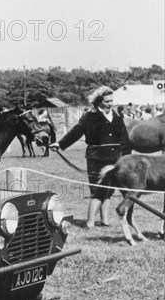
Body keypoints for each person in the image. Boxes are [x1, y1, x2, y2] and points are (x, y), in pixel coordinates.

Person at [50, 86, 131, 228]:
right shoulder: (90, 116)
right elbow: (76, 132)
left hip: (114, 157)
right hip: (96, 158)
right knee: (97, 190)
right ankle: (90, 223)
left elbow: (124, 139)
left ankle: (105, 221)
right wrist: (60, 144)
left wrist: (127, 158)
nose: (110, 104)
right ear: (99, 102)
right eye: (107, 101)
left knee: (109, 190)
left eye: (112, 101)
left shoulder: (117, 118)